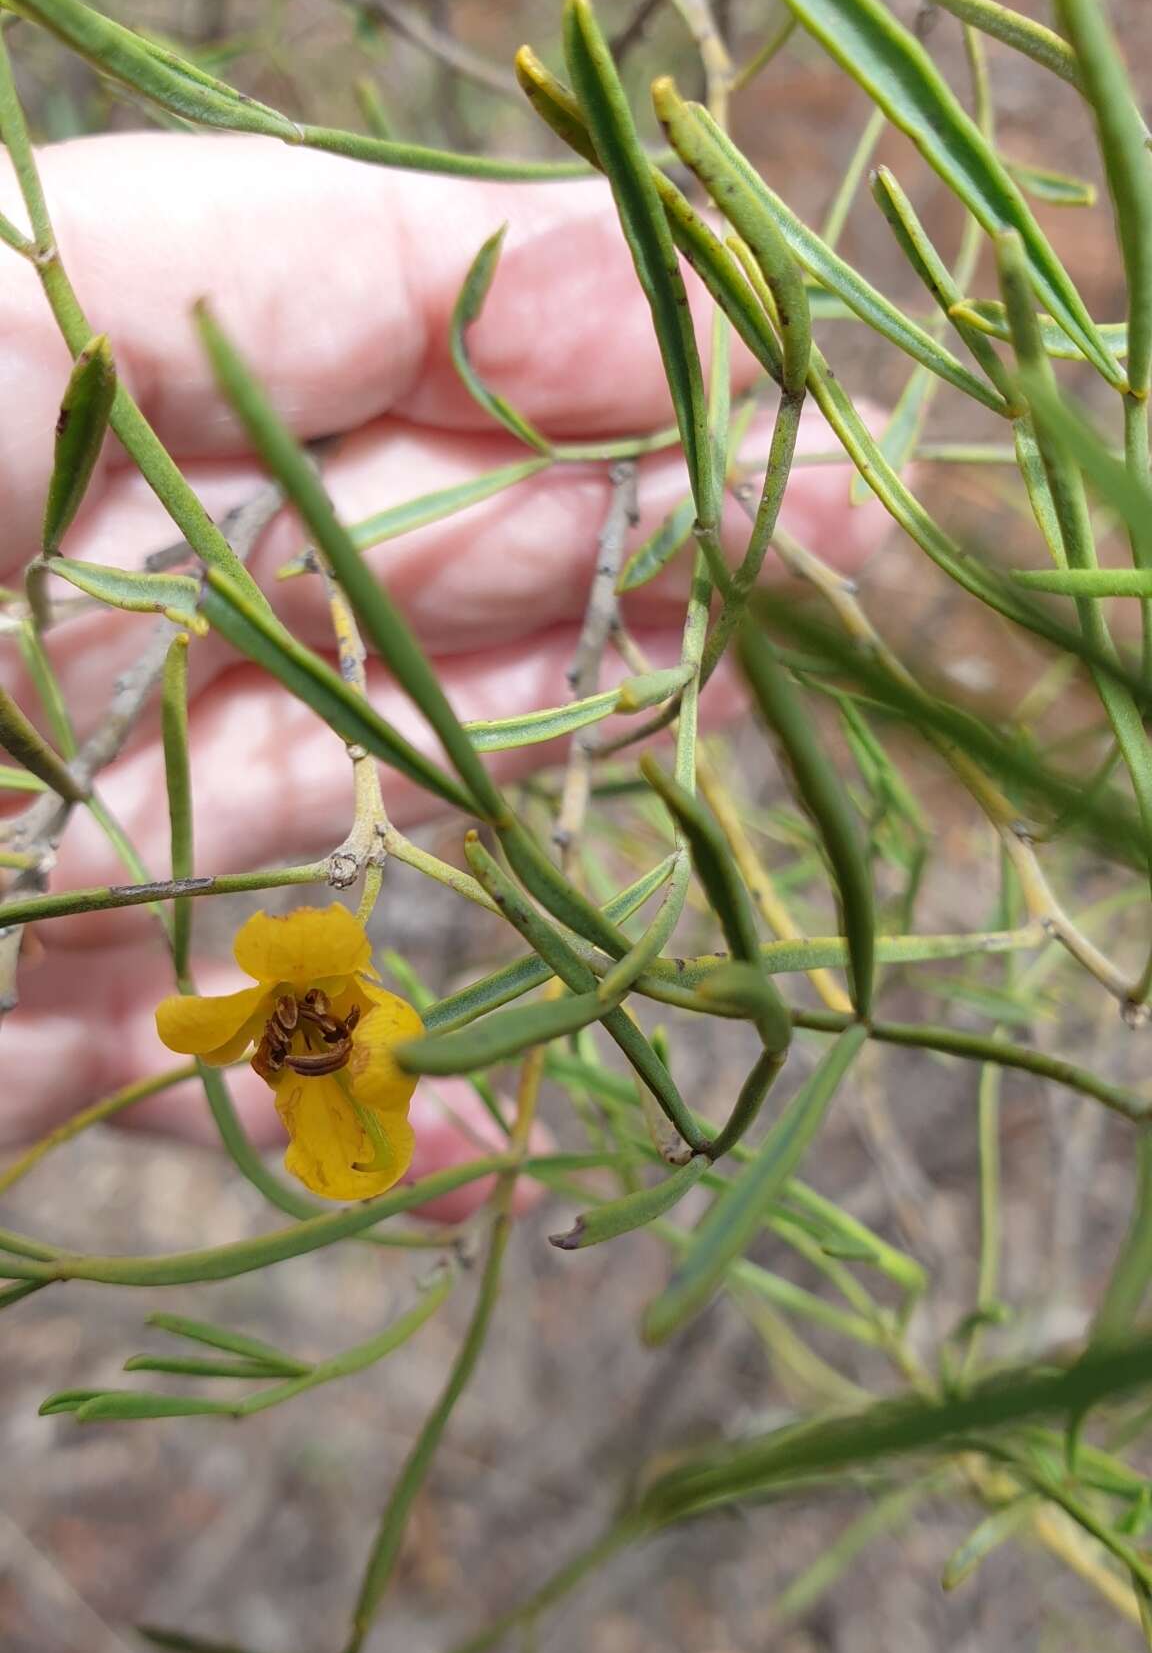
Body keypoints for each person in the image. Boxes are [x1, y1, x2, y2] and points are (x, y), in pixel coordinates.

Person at [0, 134, 888, 1201]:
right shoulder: (296, 991)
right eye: (319, 1030)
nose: (311, 1034)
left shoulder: (300, 988)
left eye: (304, 1031)